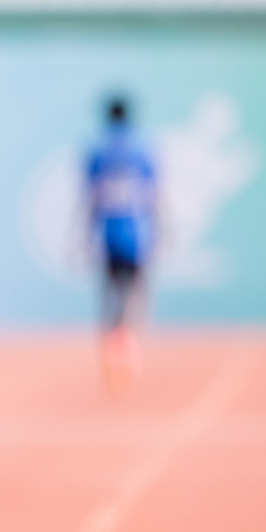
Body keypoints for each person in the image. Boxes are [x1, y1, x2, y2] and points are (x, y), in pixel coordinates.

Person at [86, 95, 157, 388]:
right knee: (136, 296)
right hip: (136, 234)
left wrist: (84, 234)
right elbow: (152, 195)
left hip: (107, 234)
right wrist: (163, 230)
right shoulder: (141, 151)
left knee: (110, 297)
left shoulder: (97, 153)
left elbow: (91, 198)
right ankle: (132, 352)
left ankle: (110, 349)